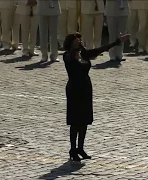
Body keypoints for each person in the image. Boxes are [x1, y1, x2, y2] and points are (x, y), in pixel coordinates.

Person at [63, 32, 130, 162]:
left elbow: (100, 49)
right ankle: (73, 149)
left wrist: (117, 41)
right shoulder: (68, 55)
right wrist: (74, 49)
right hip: (74, 89)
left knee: (84, 120)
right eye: (76, 40)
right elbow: (71, 59)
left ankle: (80, 148)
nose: (79, 42)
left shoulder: (84, 54)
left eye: (79, 40)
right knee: (75, 121)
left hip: (86, 89)